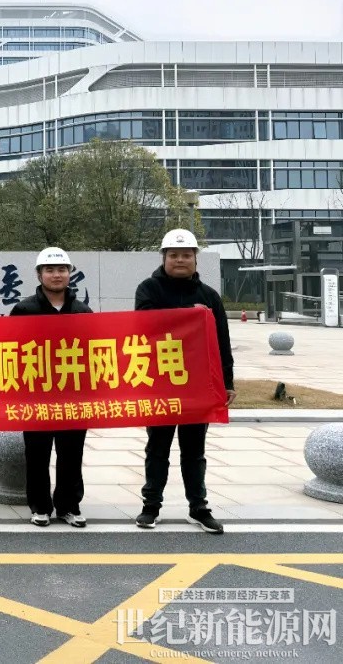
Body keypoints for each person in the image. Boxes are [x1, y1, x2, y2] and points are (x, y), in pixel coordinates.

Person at [134, 228, 236, 534]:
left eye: (186, 255)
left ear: (195, 259)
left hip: (197, 385)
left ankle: (198, 507)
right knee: (158, 447)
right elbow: (146, 324)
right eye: (174, 255)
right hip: (160, 382)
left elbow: (222, 341)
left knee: (194, 450)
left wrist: (227, 382)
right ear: (164, 258)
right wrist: (189, 315)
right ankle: (151, 506)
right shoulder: (148, 289)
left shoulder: (209, 296)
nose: (180, 260)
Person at [10, 247, 93, 528]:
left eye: (61, 270)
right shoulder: (24, 310)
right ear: (39, 275)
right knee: (37, 454)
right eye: (50, 270)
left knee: (72, 454)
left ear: (70, 274)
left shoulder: (83, 311)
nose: (56, 275)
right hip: (37, 396)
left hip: (74, 396)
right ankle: (40, 507)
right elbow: (12, 351)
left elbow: (93, 353)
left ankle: (69, 506)